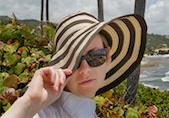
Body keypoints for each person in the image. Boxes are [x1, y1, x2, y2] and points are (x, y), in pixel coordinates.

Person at [3, 11, 147, 118]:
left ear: (108, 57)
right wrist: (30, 102)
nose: (85, 70)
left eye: (96, 56)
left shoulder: (88, 112)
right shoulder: (44, 113)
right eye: (76, 60)